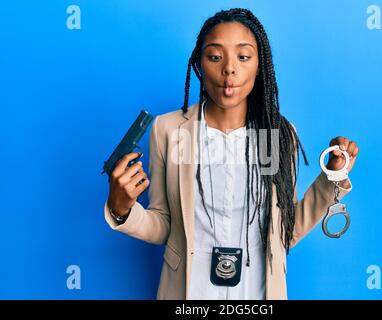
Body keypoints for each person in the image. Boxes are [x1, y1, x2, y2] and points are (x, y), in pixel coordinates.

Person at [104, 8, 359, 300]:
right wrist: (121, 210)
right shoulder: (170, 130)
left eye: (243, 56)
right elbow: (164, 225)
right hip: (189, 293)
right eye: (215, 57)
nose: (229, 69)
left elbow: (284, 233)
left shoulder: (274, 134)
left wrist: (332, 178)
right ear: (199, 63)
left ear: (259, 65)